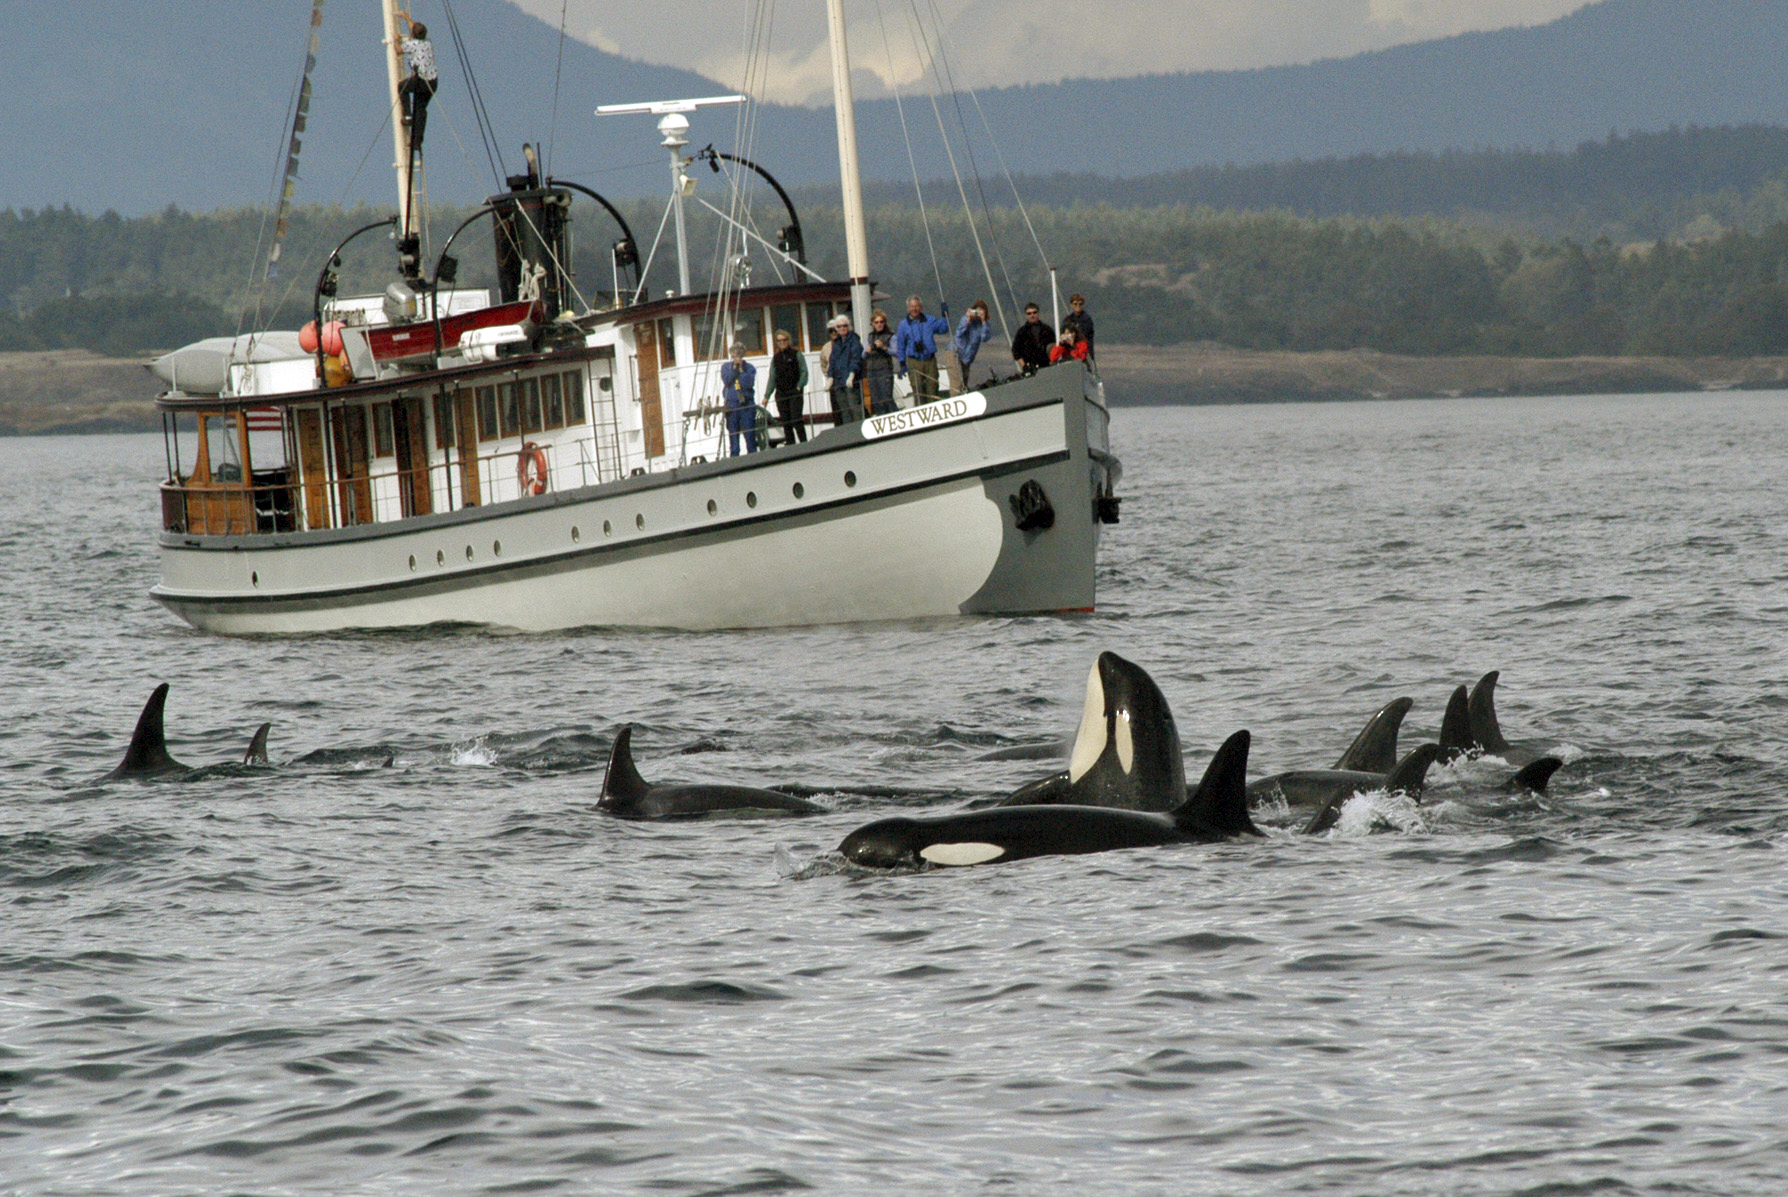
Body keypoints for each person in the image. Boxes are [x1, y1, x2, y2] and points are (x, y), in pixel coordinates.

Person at [393, 10, 439, 154]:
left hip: (421, 81)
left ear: (413, 35)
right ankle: (417, 142)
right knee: (420, 110)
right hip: (432, 82)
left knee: (402, 87)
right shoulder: (427, 42)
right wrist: (406, 17)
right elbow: (414, 28)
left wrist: (396, 39)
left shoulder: (412, 45)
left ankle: (407, 116)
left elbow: (399, 51)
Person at [896, 294, 951, 404]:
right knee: (918, 391)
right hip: (914, 361)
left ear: (921, 307)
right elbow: (900, 345)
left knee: (933, 389)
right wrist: (902, 363)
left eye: (917, 306)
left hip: (929, 360)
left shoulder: (929, 320)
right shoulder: (903, 325)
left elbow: (943, 329)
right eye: (912, 306)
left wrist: (945, 316)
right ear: (908, 308)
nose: (914, 309)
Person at [768, 329, 808, 446]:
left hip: (794, 391)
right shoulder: (776, 358)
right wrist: (767, 396)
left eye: (784, 340)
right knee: (786, 421)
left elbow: (804, 372)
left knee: (796, 419)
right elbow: (772, 377)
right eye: (779, 341)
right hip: (781, 393)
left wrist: (799, 386)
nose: (782, 343)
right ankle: (791, 445)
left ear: (788, 340)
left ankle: (804, 444)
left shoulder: (796, 354)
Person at [720, 342, 760, 456]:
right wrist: (734, 369)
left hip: (746, 404)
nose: (737, 354)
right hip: (732, 405)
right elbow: (727, 380)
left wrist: (741, 370)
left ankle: (753, 455)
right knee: (733, 434)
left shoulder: (749, 368)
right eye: (734, 352)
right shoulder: (726, 367)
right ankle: (734, 456)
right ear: (731, 354)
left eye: (739, 352)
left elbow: (748, 384)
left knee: (750, 434)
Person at [827, 316, 865, 425]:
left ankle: (859, 431)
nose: (842, 328)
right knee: (844, 411)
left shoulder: (854, 340)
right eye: (839, 326)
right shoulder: (837, 343)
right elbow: (832, 360)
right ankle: (849, 435)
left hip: (850, 381)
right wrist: (830, 377)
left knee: (855, 408)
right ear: (836, 328)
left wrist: (852, 374)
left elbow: (856, 358)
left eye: (845, 326)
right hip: (839, 381)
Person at [952, 300, 994, 391]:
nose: (978, 314)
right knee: (957, 384)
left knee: (964, 384)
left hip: (967, 358)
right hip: (956, 352)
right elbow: (958, 333)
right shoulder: (965, 319)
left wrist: (983, 321)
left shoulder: (984, 325)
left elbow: (985, 338)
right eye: (976, 311)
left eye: (981, 312)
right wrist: (968, 320)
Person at [863, 309, 897, 416]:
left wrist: (884, 347)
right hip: (872, 371)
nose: (879, 324)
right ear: (872, 324)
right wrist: (867, 351)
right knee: (876, 400)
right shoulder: (870, 337)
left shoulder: (891, 336)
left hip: (884, 370)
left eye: (881, 322)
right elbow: (862, 355)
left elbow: (896, 352)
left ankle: (894, 417)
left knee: (886, 398)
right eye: (876, 322)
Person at [1011, 302, 1055, 376]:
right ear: (1026, 315)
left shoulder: (1047, 329)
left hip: (1046, 365)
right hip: (1030, 367)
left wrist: (1052, 362)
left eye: (1034, 312)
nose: (1032, 315)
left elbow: (1054, 346)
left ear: (1038, 313)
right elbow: (1016, 351)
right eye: (1029, 313)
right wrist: (1024, 366)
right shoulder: (1022, 332)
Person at [1063, 293, 1095, 360]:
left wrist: (1074, 329)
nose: (1078, 306)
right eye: (1075, 304)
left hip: (1085, 351)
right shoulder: (1067, 319)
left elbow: (1084, 334)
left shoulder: (1087, 319)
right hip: (1071, 351)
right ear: (1071, 305)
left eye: (1080, 304)